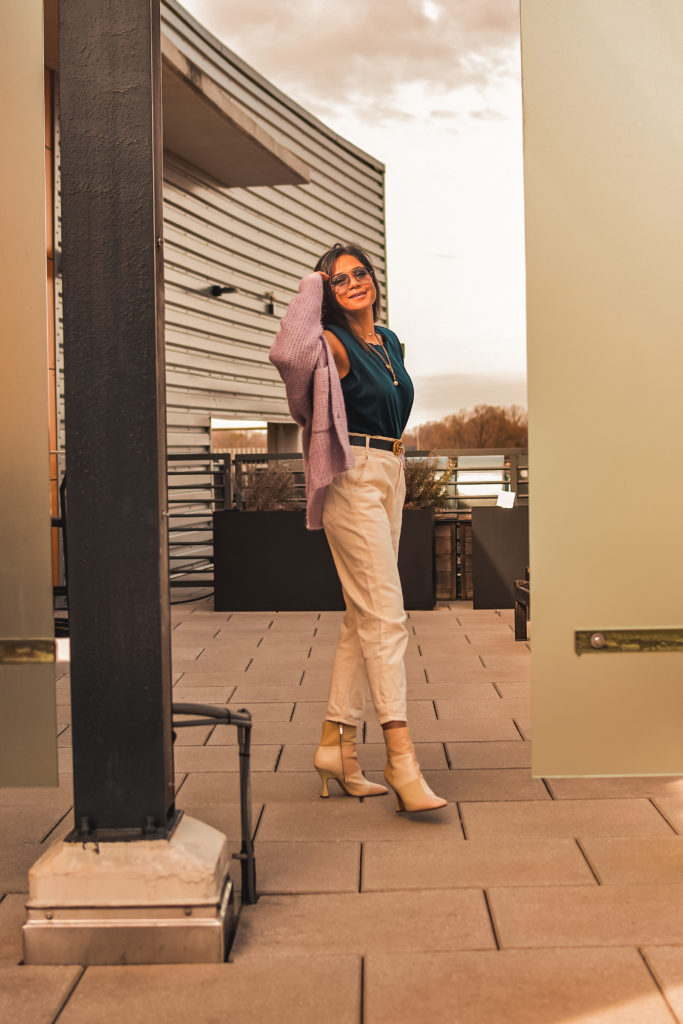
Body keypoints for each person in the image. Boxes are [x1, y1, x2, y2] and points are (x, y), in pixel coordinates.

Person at [270, 242, 446, 813]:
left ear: (374, 278)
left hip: (391, 470)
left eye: (359, 273)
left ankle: (336, 749)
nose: (353, 284)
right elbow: (286, 354)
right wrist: (310, 286)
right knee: (387, 617)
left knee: (361, 617)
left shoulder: (388, 341)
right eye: (338, 279)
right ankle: (402, 759)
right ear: (326, 290)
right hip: (352, 474)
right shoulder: (329, 343)